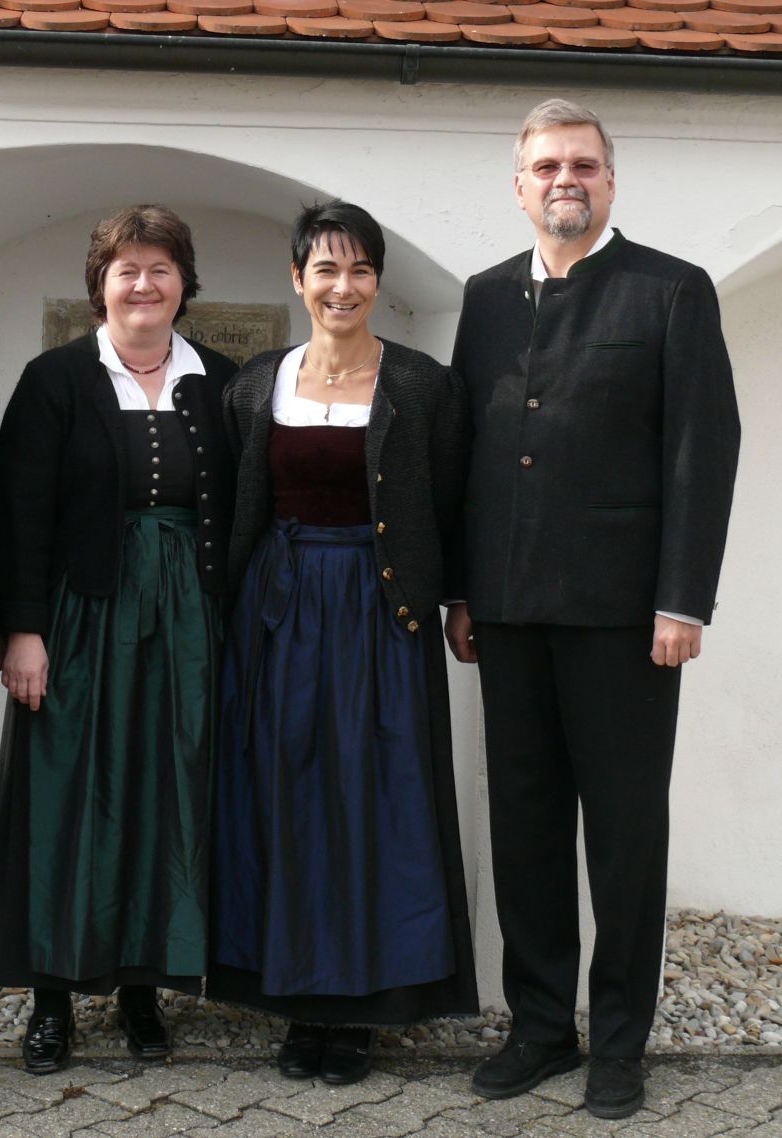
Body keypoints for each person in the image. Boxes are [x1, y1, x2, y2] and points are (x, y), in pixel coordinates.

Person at [448, 99, 740, 1120]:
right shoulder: (484, 299)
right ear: (519, 186)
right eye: (544, 165)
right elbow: (466, 451)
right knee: (523, 828)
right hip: (509, 610)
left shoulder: (669, 291)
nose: (562, 178)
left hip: (626, 620)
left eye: (581, 163)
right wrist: (460, 589)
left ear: (610, 182)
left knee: (622, 836)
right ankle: (538, 1026)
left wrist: (680, 600)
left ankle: (618, 1039)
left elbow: (702, 454)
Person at [209, 200, 479, 1086]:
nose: (343, 286)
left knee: (375, 797)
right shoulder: (255, 384)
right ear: (297, 279)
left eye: (359, 269)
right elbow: (236, 512)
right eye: (325, 269)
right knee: (282, 796)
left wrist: (458, 599)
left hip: (379, 609)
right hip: (277, 612)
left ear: (377, 281)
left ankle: (362, 1007)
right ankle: (298, 999)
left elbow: (454, 502)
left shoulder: (423, 386)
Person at [0, 204, 238, 1075]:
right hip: (82, 618)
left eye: (160, 269)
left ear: (182, 285)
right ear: (100, 285)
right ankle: (52, 997)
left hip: (188, 625)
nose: (143, 284)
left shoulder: (221, 381)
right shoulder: (56, 379)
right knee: (68, 798)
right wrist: (24, 632)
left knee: (170, 794)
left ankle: (142, 988)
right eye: (125, 269)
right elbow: (21, 516)